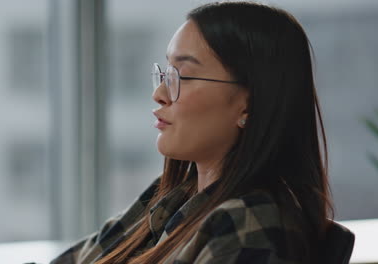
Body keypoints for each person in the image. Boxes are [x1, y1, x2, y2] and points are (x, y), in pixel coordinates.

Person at [51, 1, 334, 263]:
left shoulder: (247, 224)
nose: (159, 93)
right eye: (165, 74)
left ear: (250, 104)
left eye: (181, 76)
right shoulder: (175, 197)